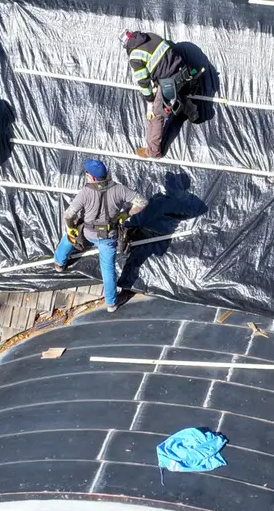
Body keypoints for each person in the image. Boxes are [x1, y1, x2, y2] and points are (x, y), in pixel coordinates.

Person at [54, 159, 146, 312]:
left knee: (68, 240)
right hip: (108, 237)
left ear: (93, 178)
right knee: (107, 269)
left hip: (87, 232)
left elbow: (69, 215)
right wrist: (125, 214)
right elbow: (142, 202)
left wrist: (71, 229)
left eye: (87, 174)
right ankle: (111, 303)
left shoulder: (85, 193)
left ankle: (59, 264)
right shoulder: (119, 189)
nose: (86, 176)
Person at [123, 30, 199, 159]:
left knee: (157, 114)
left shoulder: (135, 56)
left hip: (168, 82)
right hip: (183, 71)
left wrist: (150, 100)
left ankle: (153, 151)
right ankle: (192, 112)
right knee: (176, 92)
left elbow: (143, 81)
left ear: (126, 45)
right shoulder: (151, 36)